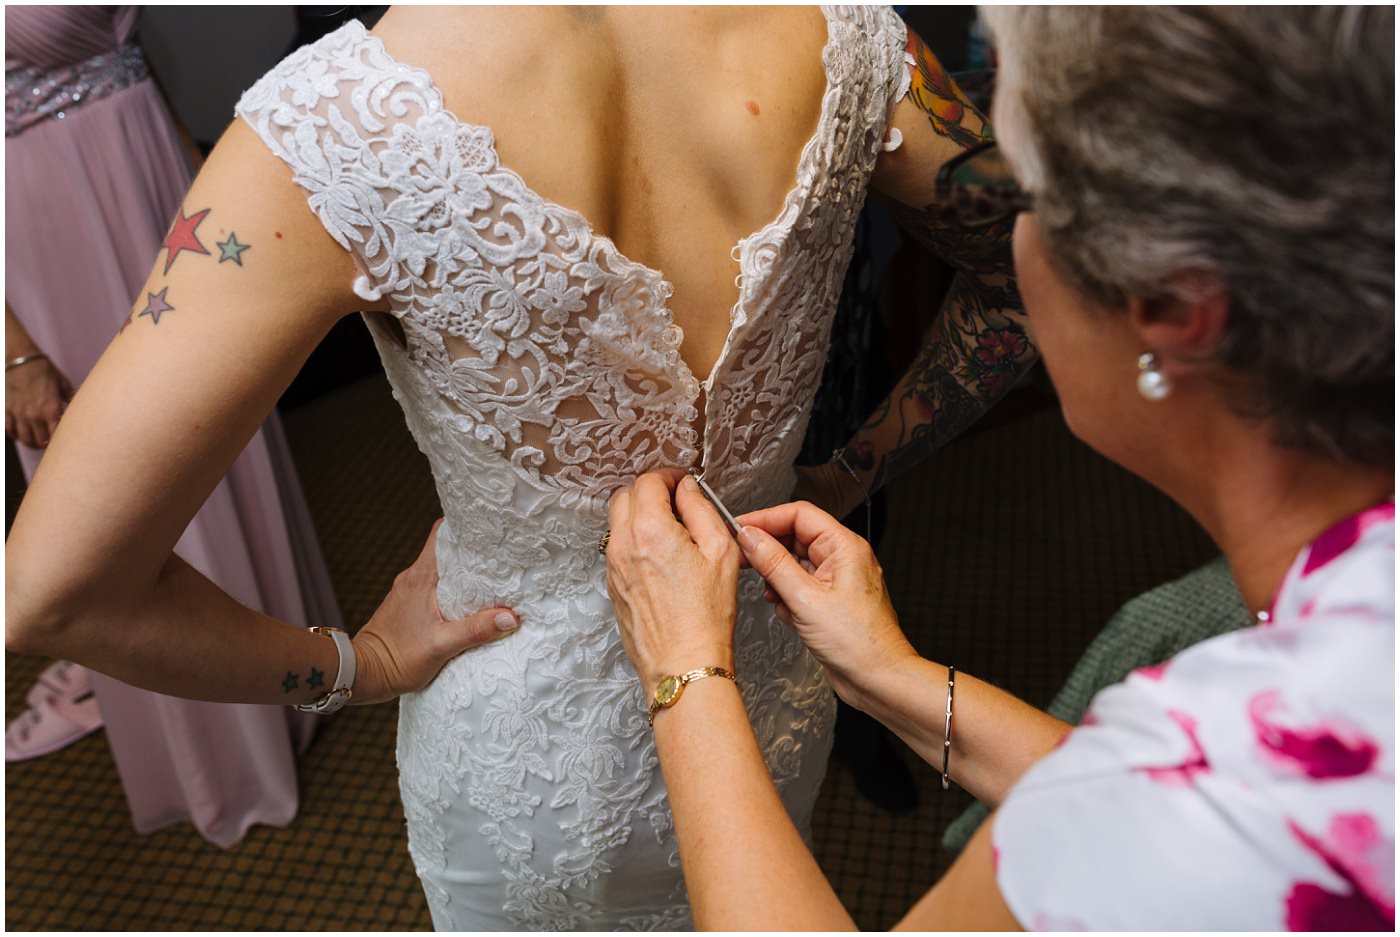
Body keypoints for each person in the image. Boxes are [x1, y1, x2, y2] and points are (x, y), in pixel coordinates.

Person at [6, 6, 1032, 929]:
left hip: (527, 758)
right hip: (768, 680)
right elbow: (1032, 277)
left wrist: (357, 666)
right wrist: (847, 474)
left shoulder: (332, 128)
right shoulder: (854, 36)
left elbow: (52, 594)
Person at [603, 6, 1393, 930]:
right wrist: (888, 672)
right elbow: (1142, 813)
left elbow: (1184, 808)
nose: (1002, 244)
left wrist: (685, 667)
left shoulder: (1232, 775)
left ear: (1173, 303)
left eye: (1013, 190)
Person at [4, 4, 344, 849]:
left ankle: (285, 674)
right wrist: (13, 354)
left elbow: (136, 58)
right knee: (128, 492)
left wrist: (213, 186)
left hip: (160, 186)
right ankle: (213, 754)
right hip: (47, 228)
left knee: (224, 435)